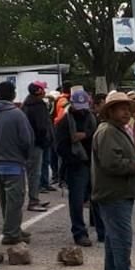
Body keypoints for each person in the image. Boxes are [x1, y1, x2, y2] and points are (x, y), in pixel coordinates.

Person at [91, 91, 135, 270]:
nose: (126, 112)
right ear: (111, 111)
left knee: (113, 235)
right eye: (122, 108)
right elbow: (112, 163)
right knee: (121, 236)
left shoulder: (115, 130)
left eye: (128, 108)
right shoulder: (108, 131)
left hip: (117, 191)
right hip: (114, 192)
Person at [0, 81, 34, 245]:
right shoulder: (17, 114)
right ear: (13, 95)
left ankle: (14, 228)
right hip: (15, 163)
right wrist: (26, 156)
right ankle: (11, 233)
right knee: (15, 201)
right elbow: (26, 140)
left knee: (5, 200)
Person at [54, 88, 98, 246]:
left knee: (97, 197)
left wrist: (85, 136)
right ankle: (79, 232)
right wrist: (73, 157)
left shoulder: (92, 118)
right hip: (75, 165)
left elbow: (97, 136)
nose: (81, 111)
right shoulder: (64, 122)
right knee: (77, 200)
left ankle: (101, 228)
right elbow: (59, 147)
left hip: (92, 162)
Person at [23, 81, 53, 213]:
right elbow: (42, 127)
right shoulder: (38, 105)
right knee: (35, 173)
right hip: (37, 144)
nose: (45, 92)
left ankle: (35, 198)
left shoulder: (26, 104)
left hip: (29, 143)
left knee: (33, 172)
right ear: (38, 91)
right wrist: (45, 140)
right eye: (43, 89)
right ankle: (33, 200)